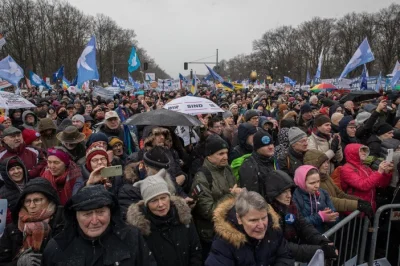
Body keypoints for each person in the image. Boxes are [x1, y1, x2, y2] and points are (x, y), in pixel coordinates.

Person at [42, 185, 156, 266]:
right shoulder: (57, 247)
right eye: (87, 214)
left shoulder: (131, 237)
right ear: (75, 216)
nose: (95, 221)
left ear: (110, 212)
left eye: (101, 212)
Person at [126, 169, 203, 266]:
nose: (161, 204)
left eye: (163, 198)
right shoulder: (140, 230)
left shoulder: (183, 216)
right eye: (154, 200)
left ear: (169, 197)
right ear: (146, 204)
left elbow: (195, 249)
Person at [264, 170, 338, 262]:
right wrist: (319, 251)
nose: (289, 195)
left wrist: (322, 241)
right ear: (274, 193)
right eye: (284, 192)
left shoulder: (291, 207)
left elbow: (304, 226)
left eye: (290, 191)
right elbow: (282, 246)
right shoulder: (267, 215)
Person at [205, 189, 294, 266]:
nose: (261, 225)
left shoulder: (273, 229)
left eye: (263, 218)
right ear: (239, 218)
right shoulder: (224, 242)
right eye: (253, 220)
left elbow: (285, 257)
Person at [191, 134, 238, 258]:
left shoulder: (227, 169)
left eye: (226, 153)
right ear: (209, 156)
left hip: (230, 229)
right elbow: (208, 211)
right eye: (220, 154)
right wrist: (231, 195)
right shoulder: (202, 177)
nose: (225, 157)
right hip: (211, 235)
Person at [0, 178, 64, 265]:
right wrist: (18, 263)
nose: (32, 206)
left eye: (37, 200)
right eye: (27, 201)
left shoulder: (62, 224)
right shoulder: (12, 228)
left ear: (49, 200)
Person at [303, 149, 373, 215]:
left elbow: (339, 194)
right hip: (323, 220)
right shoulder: (312, 183)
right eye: (323, 163)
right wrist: (357, 205)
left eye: (327, 162)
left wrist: (360, 201)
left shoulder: (326, 177)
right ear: (316, 164)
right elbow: (330, 201)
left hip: (333, 216)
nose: (327, 165)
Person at [341, 144, 393, 211]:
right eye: (361, 151)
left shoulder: (365, 167)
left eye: (365, 151)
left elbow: (380, 184)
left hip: (367, 208)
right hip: (354, 210)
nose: (364, 153)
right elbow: (363, 185)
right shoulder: (346, 169)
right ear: (353, 152)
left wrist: (386, 172)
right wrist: (379, 172)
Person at [293, 165, 339, 233]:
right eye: (312, 183)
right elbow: (296, 223)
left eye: (318, 181)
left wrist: (330, 216)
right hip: (304, 240)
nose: (317, 186)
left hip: (322, 236)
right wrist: (320, 217)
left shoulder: (323, 193)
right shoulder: (294, 197)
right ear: (301, 182)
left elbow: (335, 219)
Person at [239, 130, 277, 197]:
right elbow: (251, 195)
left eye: (271, 144)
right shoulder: (249, 165)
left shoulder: (271, 160)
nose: (271, 147)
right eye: (265, 145)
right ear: (257, 148)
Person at [0, 156, 28, 225]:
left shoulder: (34, 184)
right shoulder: (2, 193)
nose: (16, 171)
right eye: (12, 169)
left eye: (18, 168)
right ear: (6, 173)